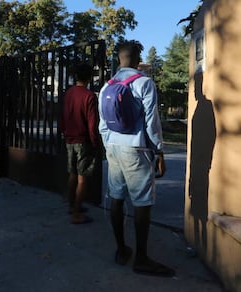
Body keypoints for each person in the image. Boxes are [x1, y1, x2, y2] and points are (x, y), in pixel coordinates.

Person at [98, 40, 175, 277]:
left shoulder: (106, 86)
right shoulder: (144, 82)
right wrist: (158, 151)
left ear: (119, 58)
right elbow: (152, 122)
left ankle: (121, 250)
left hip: (112, 146)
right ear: (137, 57)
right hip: (136, 149)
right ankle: (141, 258)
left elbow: (102, 125)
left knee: (117, 198)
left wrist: (110, 146)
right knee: (142, 202)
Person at [60, 63, 101, 224]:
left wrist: (65, 132)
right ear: (89, 77)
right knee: (82, 178)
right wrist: (95, 142)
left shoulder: (68, 93)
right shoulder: (89, 96)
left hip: (70, 139)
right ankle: (77, 213)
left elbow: (62, 116)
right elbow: (92, 124)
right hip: (83, 141)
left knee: (72, 174)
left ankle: (71, 205)